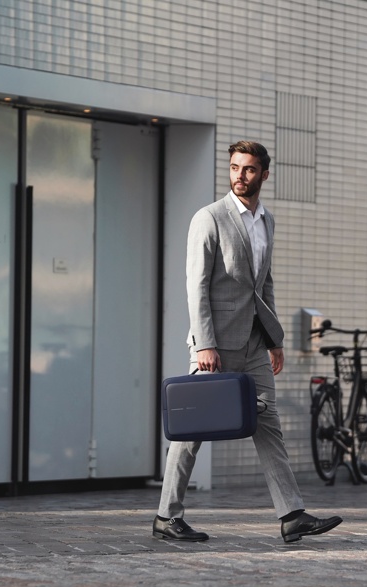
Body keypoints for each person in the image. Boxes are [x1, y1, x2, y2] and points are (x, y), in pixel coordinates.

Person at [153, 140, 343, 543]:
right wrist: (204, 343)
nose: (240, 175)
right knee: (192, 430)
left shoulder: (267, 221)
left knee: (268, 424)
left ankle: (291, 515)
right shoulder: (208, 218)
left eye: (249, 169)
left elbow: (263, 283)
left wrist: (275, 339)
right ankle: (167, 516)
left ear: (264, 174)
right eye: (235, 167)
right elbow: (196, 285)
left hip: (255, 343)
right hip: (216, 344)